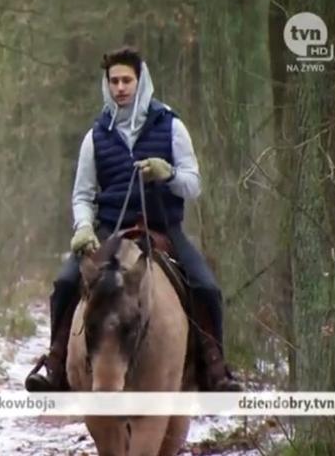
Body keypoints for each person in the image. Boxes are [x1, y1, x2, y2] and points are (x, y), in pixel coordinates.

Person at [24, 47, 241, 392]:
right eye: (114, 81)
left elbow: (193, 185)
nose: (120, 87)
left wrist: (167, 174)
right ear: (106, 84)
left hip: (163, 229)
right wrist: (82, 226)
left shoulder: (171, 125)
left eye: (127, 80)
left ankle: (215, 370)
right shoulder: (95, 136)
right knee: (65, 284)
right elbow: (82, 194)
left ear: (141, 82)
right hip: (109, 230)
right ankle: (55, 365)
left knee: (206, 287)